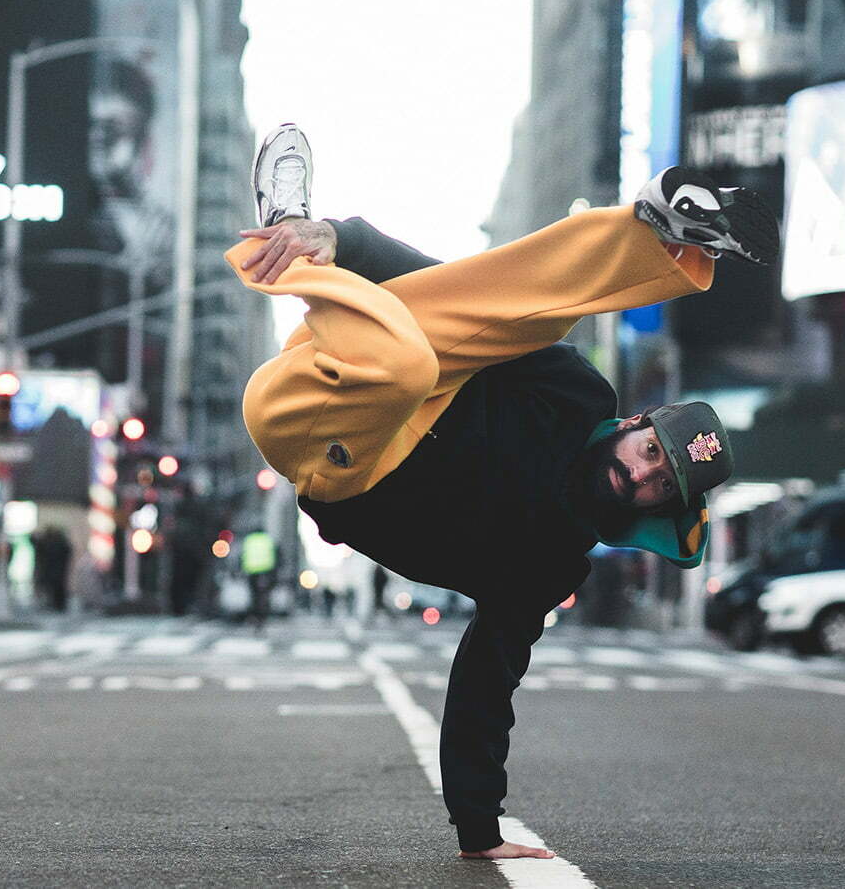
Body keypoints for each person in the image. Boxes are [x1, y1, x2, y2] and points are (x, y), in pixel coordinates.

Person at [228, 124, 775, 860]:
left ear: (657, 509)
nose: (642, 473)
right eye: (651, 451)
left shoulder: (552, 564)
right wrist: (344, 241)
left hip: (335, 455)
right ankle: (657, 235)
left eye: (658, 484)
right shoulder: (579, 394)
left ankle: (310, 258)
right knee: (504, 324)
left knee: (406, 364)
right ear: (637, 423)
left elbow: (488, 680)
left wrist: (479, 831)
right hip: (337, 367)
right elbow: (480, 297)